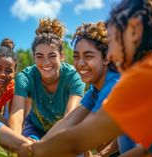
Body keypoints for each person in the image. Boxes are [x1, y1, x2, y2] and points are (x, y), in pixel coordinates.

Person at [18, 0, 152, 156]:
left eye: (112, 39)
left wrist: (32, 151)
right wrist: (41, 145)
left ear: (134, 31)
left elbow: (76, 141)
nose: (110, 55)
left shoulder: (149, 73)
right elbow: (146, 150)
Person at [41, 21, 120, 156]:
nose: (80, 63)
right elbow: (69, 120)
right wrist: (40, 144)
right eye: (76, 56)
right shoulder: (96, 89)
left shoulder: (114, 85)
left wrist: (34, 151)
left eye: (88, 56)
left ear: (106, 58)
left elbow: (81, 136)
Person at [8, 18, 85, 140]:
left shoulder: (74, 76)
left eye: (52, 56)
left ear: (62, 56)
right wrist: (17, 142)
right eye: (39, 56)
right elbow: (17, 112)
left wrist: (46, 145)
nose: (46, 62)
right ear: (34, 57)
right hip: (35, 129)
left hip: (66, 129)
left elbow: (70, 118)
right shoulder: (25, 77)